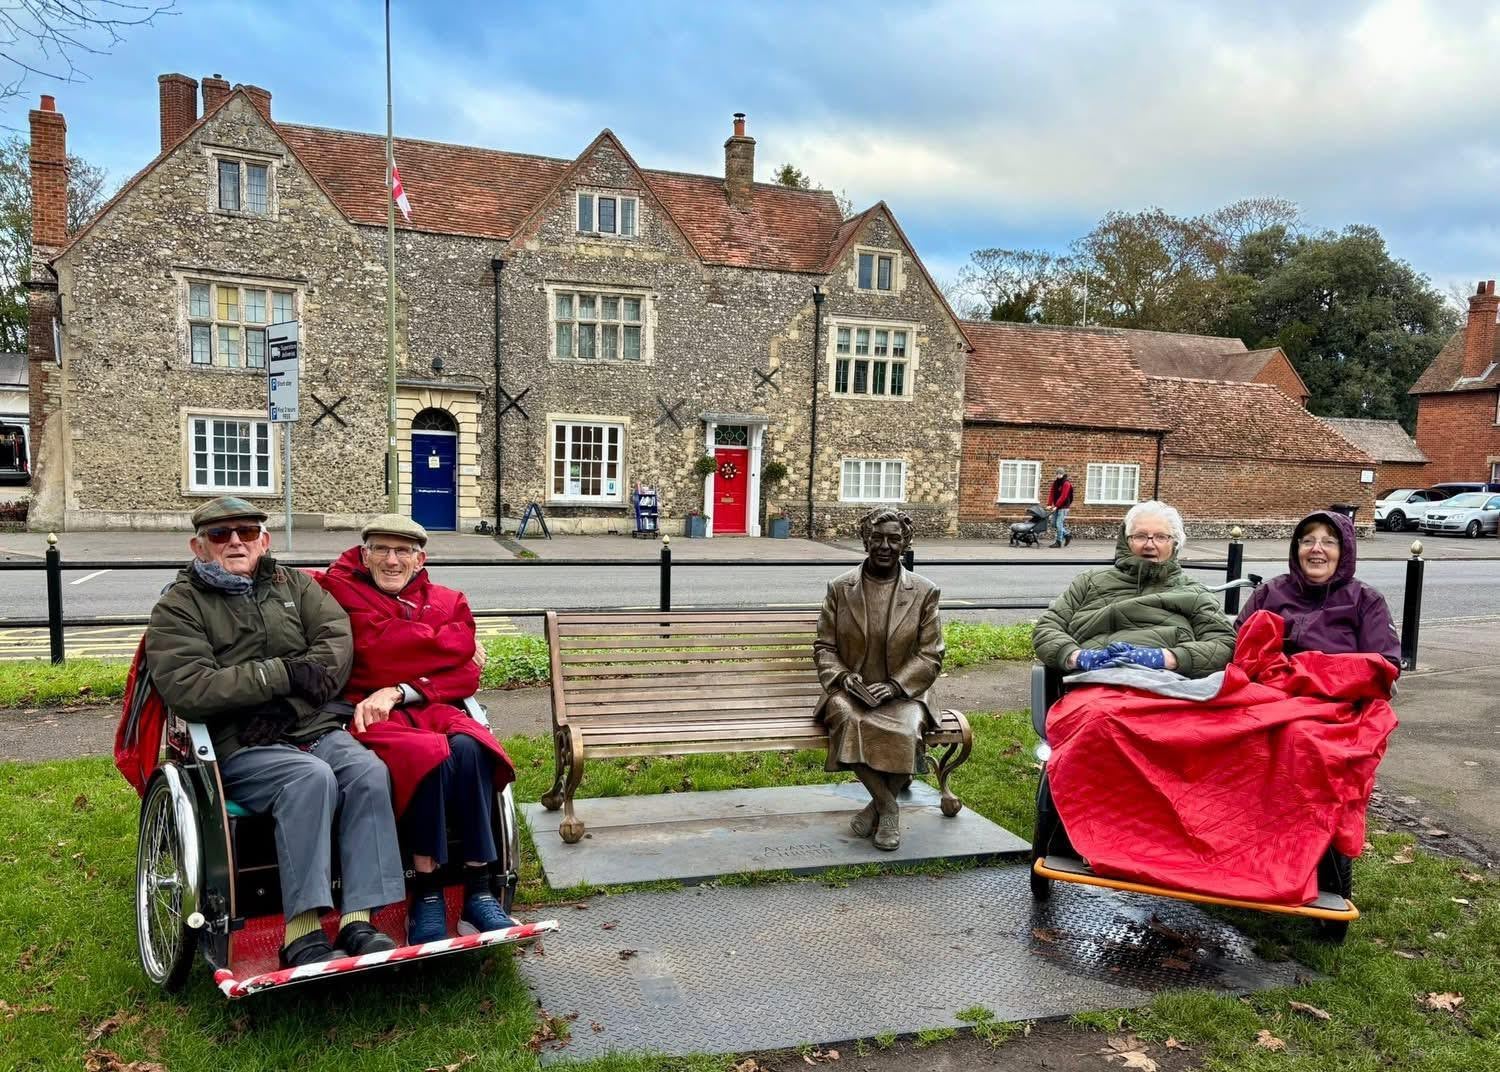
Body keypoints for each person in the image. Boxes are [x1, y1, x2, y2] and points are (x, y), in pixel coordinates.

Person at [146, 497, 404, 967]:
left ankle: (358, 920)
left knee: (366, 772)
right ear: (198, 546)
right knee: (308, 778)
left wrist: (292, 704)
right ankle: (302, 930)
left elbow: (335, 642)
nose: (236, 542)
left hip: (309, 722)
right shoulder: (178, 606)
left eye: (246, 532)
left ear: (264, 540)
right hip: (240, 739)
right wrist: (280, 676)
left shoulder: (294, 585)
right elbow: (189, 686)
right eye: (221, 535)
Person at [315, 515, 518, 943]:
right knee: (427, 754)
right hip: (369, 716)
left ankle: (479, 891)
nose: (393, 560)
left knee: (472, 747)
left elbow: (466, 679)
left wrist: (401, 688)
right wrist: (445, 645)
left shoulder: (448, 599)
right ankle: (426, 893)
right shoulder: (337, 590)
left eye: (403, 551)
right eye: (382, 550)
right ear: (364, 555)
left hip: (426, 706)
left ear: (420, 558)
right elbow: (378, 652)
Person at [814, 507, 943, 852]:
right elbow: (824, 646)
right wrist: (843, 677)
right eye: (877, 538)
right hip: (850, 691)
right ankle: (888, 807)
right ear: (865, 540)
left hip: (904, 692)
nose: (885, 545)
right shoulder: (841, 588)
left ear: (905, 543)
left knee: (909, 729)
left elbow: (931, 653)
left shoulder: (924, 592)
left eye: (894, 539)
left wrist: (895, 686)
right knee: (846, 718)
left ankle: (876, 807)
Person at [1033, 500, 1234, 677]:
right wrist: (1077, 657)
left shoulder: (1195, 593)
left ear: (1174, 544)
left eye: (1161, 537)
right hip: (1095, 680)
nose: (1149, 545)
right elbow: (1047, 627)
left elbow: (1224, 644)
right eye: (1140, 536)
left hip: (1169, 684)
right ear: (1126, 541)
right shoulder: (1089, 582)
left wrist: (1166, 658)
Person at [1235, 509, 1400, 665]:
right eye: (1308, 541)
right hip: (1270, 689)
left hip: (1337, 692)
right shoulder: (1268, 593)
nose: (1316, 549)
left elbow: (1384, 664)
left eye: (1329, 542)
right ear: (1297, 548)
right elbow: (1236, 644)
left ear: (1344, 552)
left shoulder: (1366, 600)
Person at [1044, 467, 1074, 548]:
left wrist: (1056, 506)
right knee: (1054, 523)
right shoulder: (1055, 483)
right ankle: (1067, 535)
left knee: (1059, 523)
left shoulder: (1066, 483)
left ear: (1063, 474)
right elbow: (1052, 493)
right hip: (1057, 506)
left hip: (1064, 506)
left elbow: (1063, 496)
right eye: (1057, 474)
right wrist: (1049, 504)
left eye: (1060, 474)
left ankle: (1058, 542)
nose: (1059, 475)